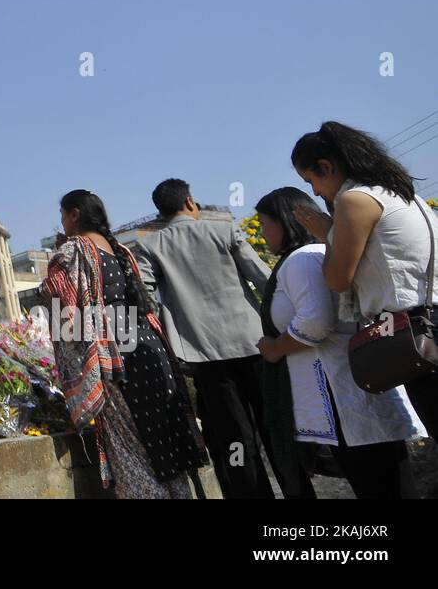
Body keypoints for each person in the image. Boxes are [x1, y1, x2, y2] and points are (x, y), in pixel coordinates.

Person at [253, 187, 421, 499]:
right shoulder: (321, 252)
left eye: (265, 223)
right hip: (355, 383)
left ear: (286, 222)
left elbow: (316, 322)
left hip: (338, 391)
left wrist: (275, 349)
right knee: (388, 481)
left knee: (380, 484)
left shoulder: (302, 260)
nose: (262, 233)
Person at [42, 190, 208, 498]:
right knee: (163, 442)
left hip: (115, 357)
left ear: (75, 214)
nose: (62, 222)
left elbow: (64, 307)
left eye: (63, 215)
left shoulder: (73, 251)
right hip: (147, 347)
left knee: (131, 448)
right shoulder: (119, 249)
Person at [128, 178, 283, 498]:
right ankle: (295, 489)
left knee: (236, 437)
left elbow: (146, 300)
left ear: (162, 211)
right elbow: (264, 279)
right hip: (253, 343)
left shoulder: (150, 246)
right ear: (189, 201)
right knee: (274, 427)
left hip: (204, 355)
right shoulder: (223, 230)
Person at [288, 121, 438, 438]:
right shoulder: (402, 193)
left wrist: (327, 234)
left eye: (311, 180)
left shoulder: (354, 200)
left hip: (418, 336)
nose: (314, 191)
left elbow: (338, 279)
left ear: (326, 167)